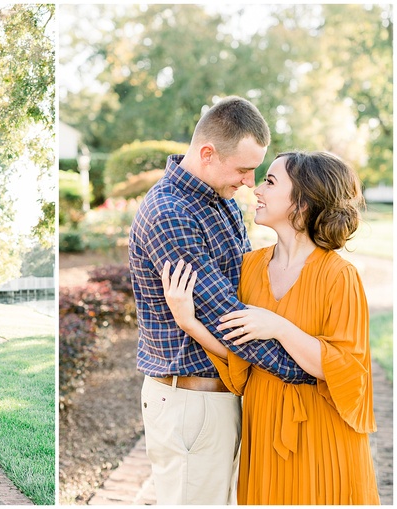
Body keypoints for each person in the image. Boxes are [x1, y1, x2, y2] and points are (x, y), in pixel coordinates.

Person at [163, 151, 380, 504]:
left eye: (270, 181)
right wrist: (188, 322)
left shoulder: (340, 277)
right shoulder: (249, 267)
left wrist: (278, 326)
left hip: (324, 437)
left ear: (303, 203)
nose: (256, 189)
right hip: (263, 434)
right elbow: (240, 358)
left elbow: (345, 372)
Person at [129, 96, 315, 505]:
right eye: (244, 169)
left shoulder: (222, 201)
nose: (250, 182)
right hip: (190, 404)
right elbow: (227, 317)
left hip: (223, 396)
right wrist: (307, 372)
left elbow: (248, 288)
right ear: (208, 154)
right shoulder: (171, 213)